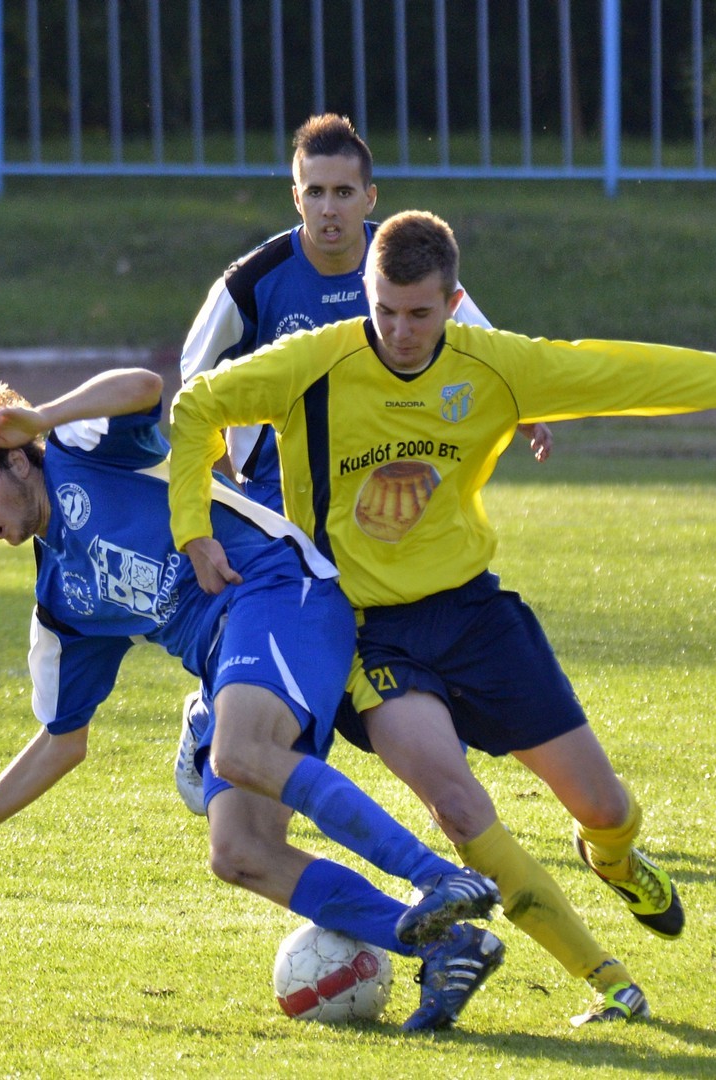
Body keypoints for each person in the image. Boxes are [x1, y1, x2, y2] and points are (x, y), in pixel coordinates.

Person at [168, 210, 716, 1025]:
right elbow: (195, 406)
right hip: (365, 632)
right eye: (384, 310)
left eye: (419, 314)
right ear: (367, 294)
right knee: (458, 808)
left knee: (603, 807)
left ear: (452, 302)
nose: (399, 332)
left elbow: (630, 374)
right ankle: (607, 981)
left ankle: (614, 857)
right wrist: (194, 527)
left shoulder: (496, 366)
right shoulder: (315, 361)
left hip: (472, 615)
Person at [0, 368, 505, 1033]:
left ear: (16, 461)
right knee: (239, 853)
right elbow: (61, 742)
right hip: (231, 662)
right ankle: (447, 945)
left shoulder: (80, 451)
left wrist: (42, 418)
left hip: (277, 588)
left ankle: (438, 880)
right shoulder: (63, 601)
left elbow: (144, 386)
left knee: (238, 752)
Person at [171, 111, 550, 814]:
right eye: (314, 192)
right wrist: (216, 466)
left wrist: (527, 410)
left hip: (383, 479)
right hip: (282, 492)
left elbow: (482, 346)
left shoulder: (400, 265)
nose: (329, 209)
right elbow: (195, 382)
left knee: (413, 607)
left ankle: (433, 734)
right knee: (290, 615)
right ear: (295, 197)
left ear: (370, 197)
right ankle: (214, 708)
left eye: (343, 192)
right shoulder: (254, 283)